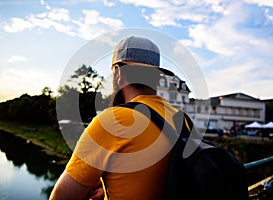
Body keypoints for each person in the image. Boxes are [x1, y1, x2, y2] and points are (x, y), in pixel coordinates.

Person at [49, 36, 190, 200]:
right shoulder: (182, 119)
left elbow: (60, 197)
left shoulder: (113, 122)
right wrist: (109, 187)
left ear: (118, 72)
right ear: (157, 78)